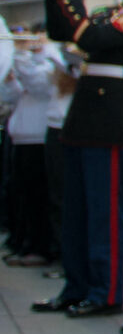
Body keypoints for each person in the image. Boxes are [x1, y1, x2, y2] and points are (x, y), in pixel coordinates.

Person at [35, 0, 123, 318]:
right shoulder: (114, 13)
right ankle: (76, 286)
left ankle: (105, 291)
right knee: (76, 208)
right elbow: (63, 32)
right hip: (87, 110)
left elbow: (90, 40)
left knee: (103, 210)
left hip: (107, 113)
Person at [2, 34, 71, 268]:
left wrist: (24, 55)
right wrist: (12, 78)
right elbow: (16, 93)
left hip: (40, 138)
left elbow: (38, 84)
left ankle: (47, 248)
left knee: (44, 198)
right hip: (24, 137)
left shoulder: (55, 62)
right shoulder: (45, 63)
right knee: (25, 195)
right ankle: (28, 243)